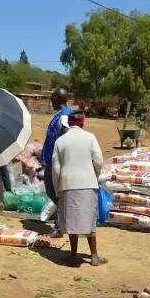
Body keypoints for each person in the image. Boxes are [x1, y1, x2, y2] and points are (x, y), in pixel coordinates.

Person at [52, 111, 107, 267]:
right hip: (88, 183)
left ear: (68, 123)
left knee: (71, 221)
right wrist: (94, 175)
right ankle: (94, 256)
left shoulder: (60, 141)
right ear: (83, 122)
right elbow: (98, 160)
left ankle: (73, 255)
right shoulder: (90, 138)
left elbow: (56, 169)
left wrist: (57, 188)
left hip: (68, 184)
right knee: (89, 220)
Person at [41, 88, 72, 238]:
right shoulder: (61, 114)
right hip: (51, 160)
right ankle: (61, 220)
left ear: (55, 98)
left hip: (57, 162)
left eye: (51, 99)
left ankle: (60, 226)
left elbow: (67, 134)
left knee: (56, 193)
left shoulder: (65, 116)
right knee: (53, 192)